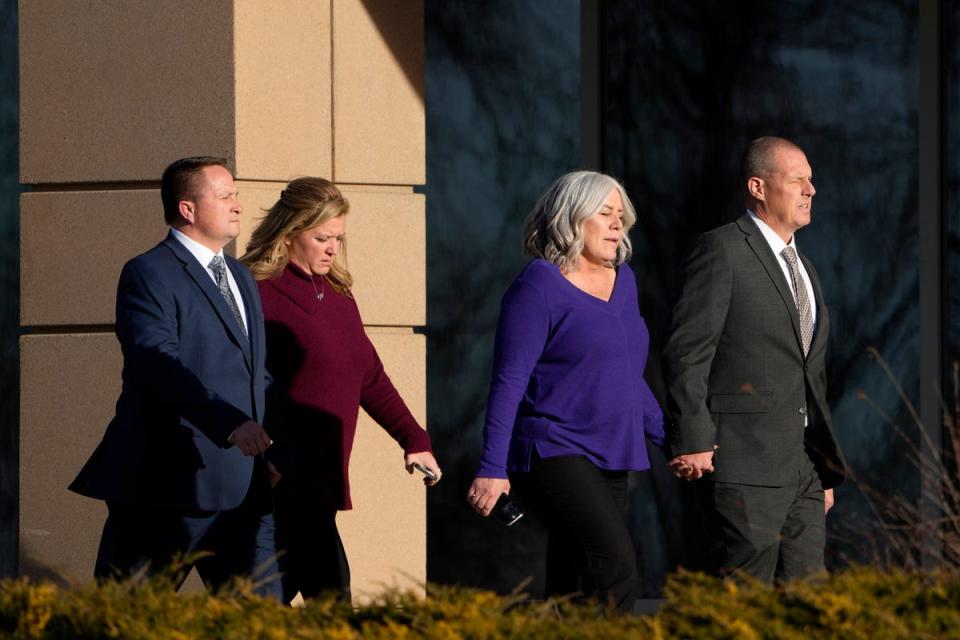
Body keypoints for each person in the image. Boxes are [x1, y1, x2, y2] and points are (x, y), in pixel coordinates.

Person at [69, 157, 281, 597]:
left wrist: (273, 447)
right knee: (126, 618)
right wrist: (228, 423)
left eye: (236, 194)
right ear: (188, 209)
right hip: (165, 485)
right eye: (225, 196)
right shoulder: (149, 273)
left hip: (243, 487)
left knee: (265, 622)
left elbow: (256, 373)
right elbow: (155, 363)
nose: (238, 205)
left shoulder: (241, 276)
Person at [467, 171, 664, 612]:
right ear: (571, 219)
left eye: (622, 216)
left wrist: (674, 440)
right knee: (616, 567)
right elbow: (509, 381)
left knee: (574, 582)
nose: (618, 225)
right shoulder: (538, 285)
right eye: (606, 214)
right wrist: (491, 467)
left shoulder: (624, 282)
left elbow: (628, 378)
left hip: (612, 451)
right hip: (553, 449)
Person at [241, 177, 441, 603]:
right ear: (290, 232)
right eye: (322, 238)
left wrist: (414, 438)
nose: (333, 248)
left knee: (288, 606)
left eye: (339, 238)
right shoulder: (254, 292)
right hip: (275, 485)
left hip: (321, 483)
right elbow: (232, 380)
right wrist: (264, 456)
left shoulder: (338, 295)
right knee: (323, 602)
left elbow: (368, 376)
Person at [662, 136, 848, 583]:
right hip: (743, 463)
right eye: (798, 180)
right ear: (758, 187)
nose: (811, 190)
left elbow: (809, 373)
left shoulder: (806, 268)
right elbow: (687, 352)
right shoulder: (722, 250)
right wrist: (693, 435)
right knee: (743, 603)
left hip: (803, 467)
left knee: (808, 606)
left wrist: (821, 469)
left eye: (812, 180)